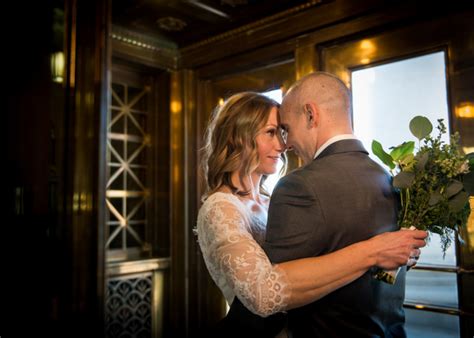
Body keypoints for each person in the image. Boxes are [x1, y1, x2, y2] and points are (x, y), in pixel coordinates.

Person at [196, 91, 426, 337]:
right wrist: (374, 252)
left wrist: (399, 251)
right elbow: (262, 295)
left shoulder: (269, 199)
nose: (283, 146)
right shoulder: (219, 208)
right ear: (238, 136)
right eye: (271, 132)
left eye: (282, 133)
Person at [261, 71, 414, 337]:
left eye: (286, 129)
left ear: (311, 114)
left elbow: (274, 292)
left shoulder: (298, 186)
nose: (285, 145)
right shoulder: (389, 178)